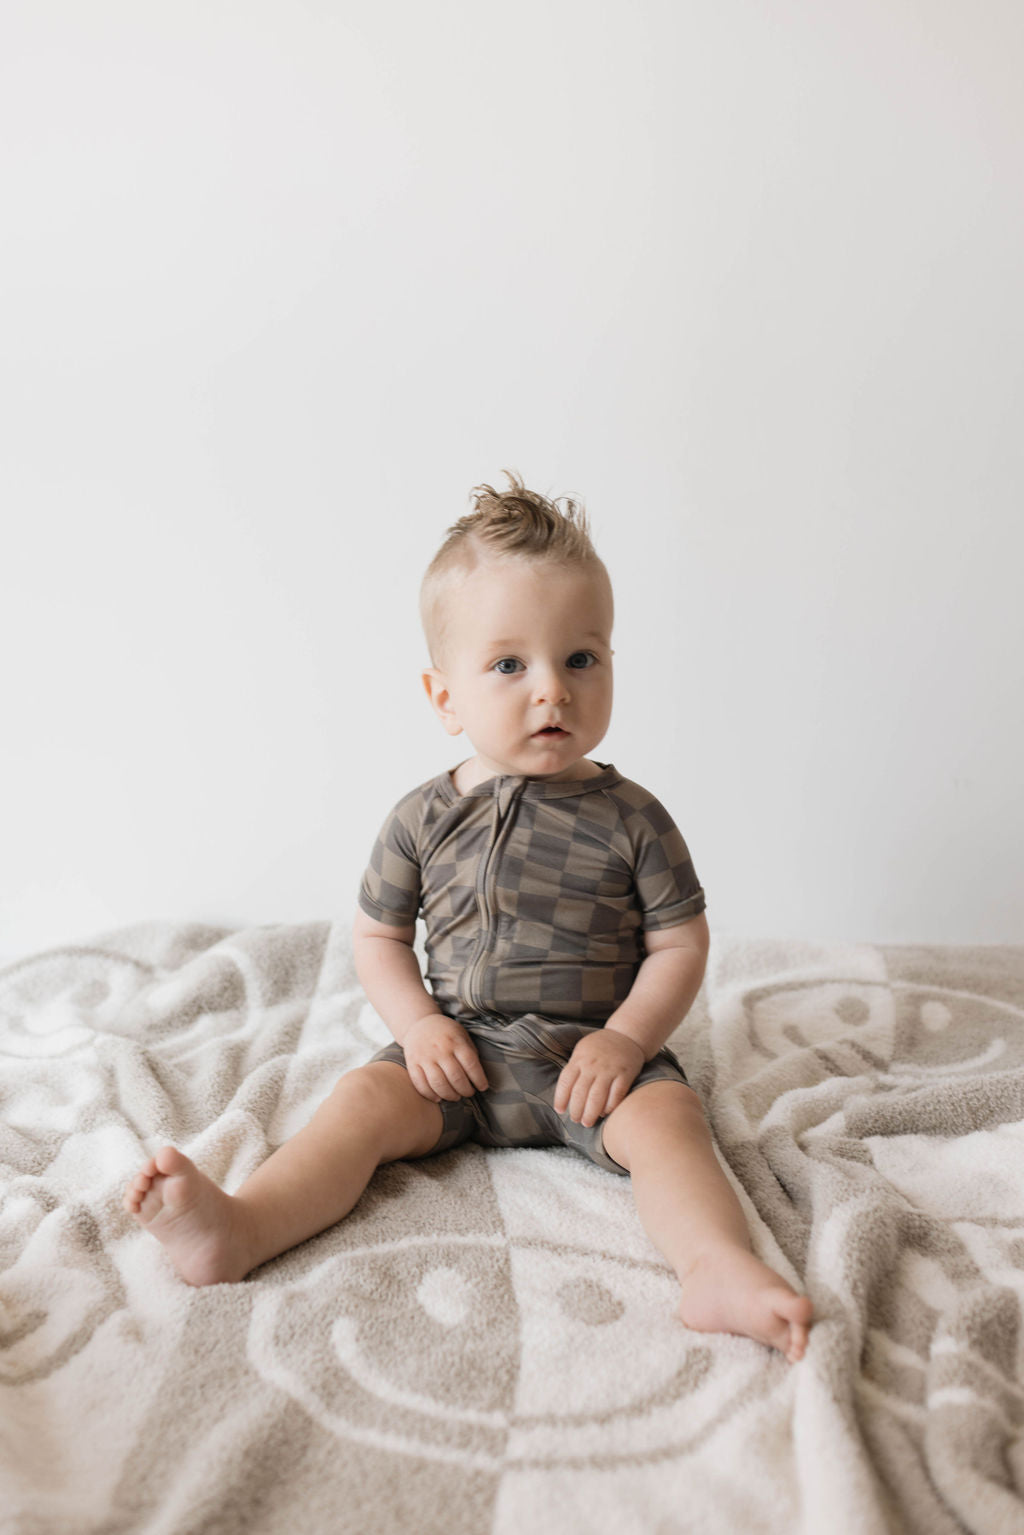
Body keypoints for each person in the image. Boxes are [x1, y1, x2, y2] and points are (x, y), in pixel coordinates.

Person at [123, 471, 813, 1363]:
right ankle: (241, 1226)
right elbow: (377, 937)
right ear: (443, 694)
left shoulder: (632, 818)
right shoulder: (420, 818)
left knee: (672, 1125)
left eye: (581, 658)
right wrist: (417, 1028)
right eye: (508, 664)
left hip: (591, 1063)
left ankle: (716, 1265)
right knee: (360, 1103)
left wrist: (631, 1042)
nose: (551, 691)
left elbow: (680, 941)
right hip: (459, 1057)